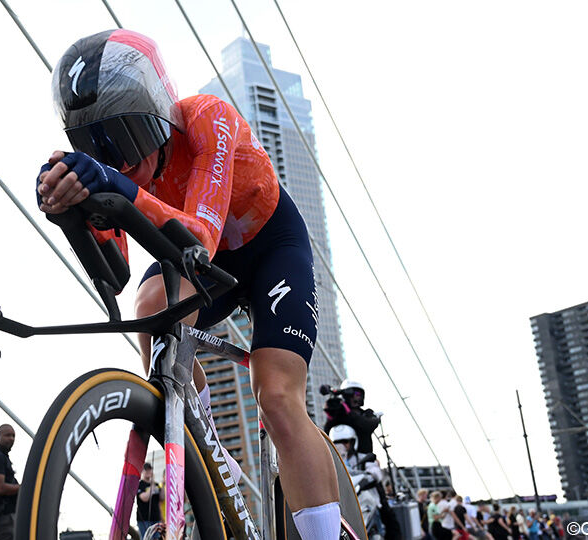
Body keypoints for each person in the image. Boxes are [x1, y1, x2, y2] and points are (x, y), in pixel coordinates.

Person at [39, 29, 339, 538]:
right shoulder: (124, 172)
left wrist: (114, 184)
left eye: (129, 137)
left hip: (269, 247)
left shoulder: (206, 117)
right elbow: (115, 270)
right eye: (100, 148)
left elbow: (200, 232)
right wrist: (70, 212)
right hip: (201, 258)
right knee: (151, 307)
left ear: (158, 114)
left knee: (276, 396)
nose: (122, 160)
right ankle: (205, 454)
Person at [323, 380, 382, 455]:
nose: (356, 396)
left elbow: (370, 424)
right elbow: (327, 433)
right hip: (343, 459)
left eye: (358, 393)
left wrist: (349, 412)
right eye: (351, 394)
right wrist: (330, 415)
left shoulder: (367, 413)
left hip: (365, 460)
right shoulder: (340, 415)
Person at [137, 463, 164, 538]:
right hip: (144, 519)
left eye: (150, 469)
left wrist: (162, 485)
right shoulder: (140, 484)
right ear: (143, 471)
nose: (149, 471)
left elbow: (162, 498)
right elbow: (144, 498)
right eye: (146, 470)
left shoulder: (156, 484)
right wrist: (151, 486)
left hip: (156, 518)